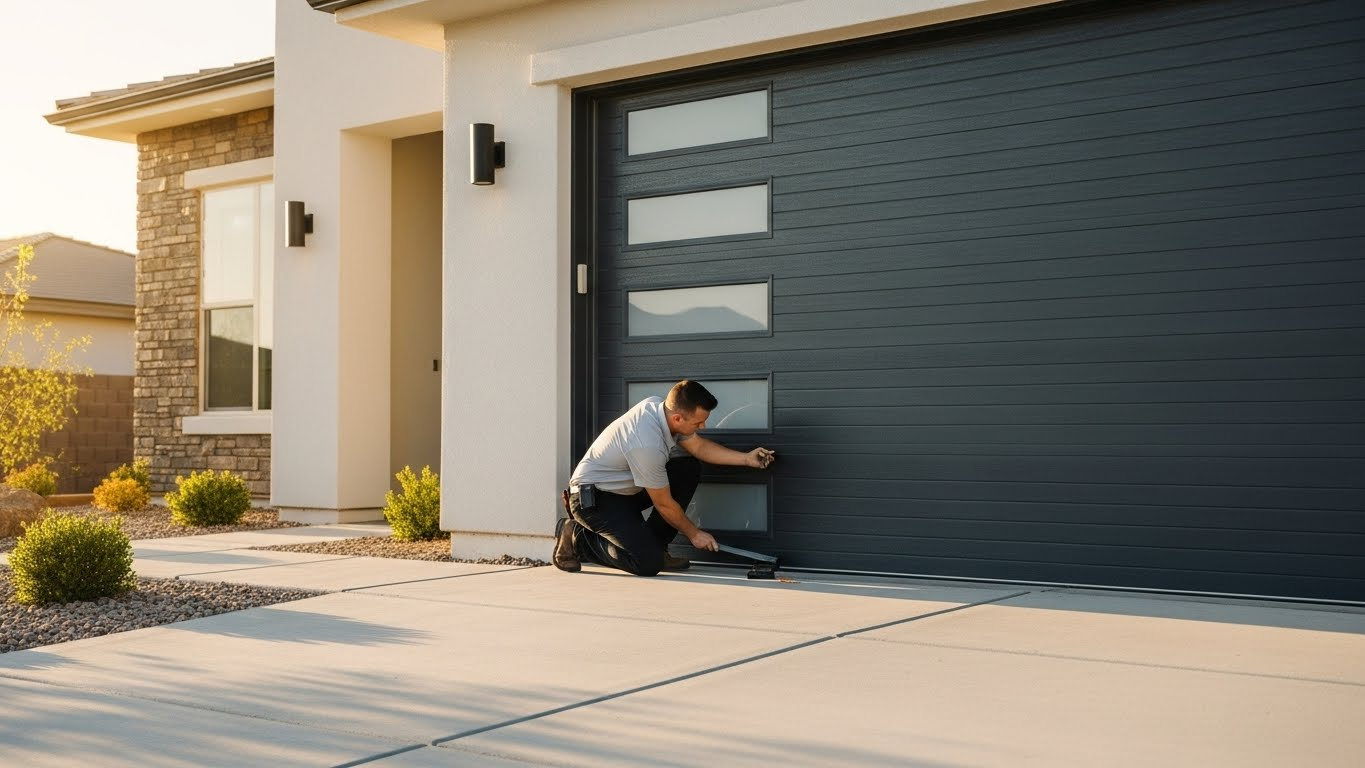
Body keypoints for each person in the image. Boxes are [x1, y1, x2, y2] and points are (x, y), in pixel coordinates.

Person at [554, 379, 776, 576]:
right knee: (647, 564)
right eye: (698, 423)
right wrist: (694, 534)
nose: (703, 426)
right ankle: (578, 537)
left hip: (623, 492)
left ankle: (657, 548)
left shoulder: (659, 408)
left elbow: (699, 447)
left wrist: (746, 459)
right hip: (594, 501)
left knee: (685, 467)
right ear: (678, 418)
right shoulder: (646, 444)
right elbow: (664, 504)